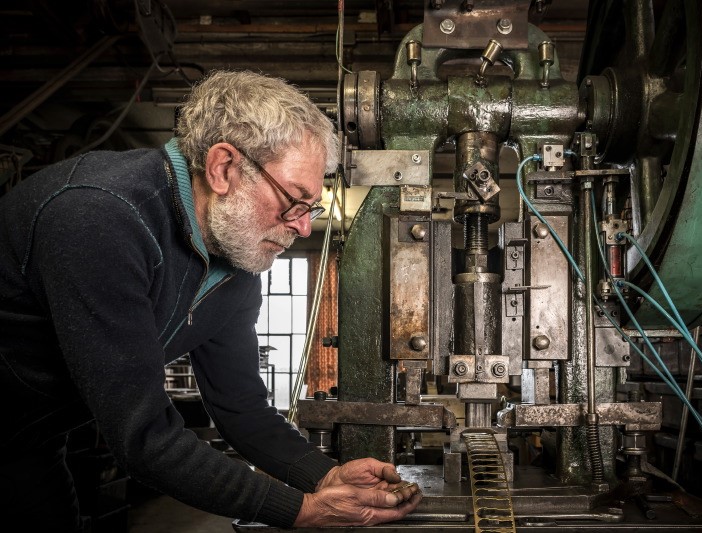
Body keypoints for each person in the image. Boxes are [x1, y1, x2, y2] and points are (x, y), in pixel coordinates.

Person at [0, 70, 421, 530]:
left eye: (310, 209)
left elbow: (241, 410)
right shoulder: (99, 218)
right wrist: (298, 511)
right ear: (223, 168)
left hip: (29, 442)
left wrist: (324, 475)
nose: (303, 227)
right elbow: (143, 438)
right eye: (295, 201)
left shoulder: (234, 263)